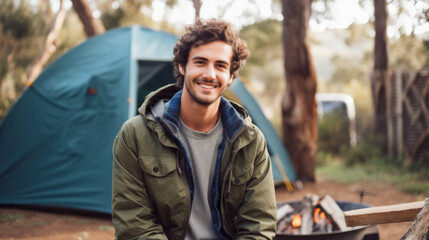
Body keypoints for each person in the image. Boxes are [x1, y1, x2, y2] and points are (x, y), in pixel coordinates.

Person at [112, 18, 277, 240]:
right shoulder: (134, 135)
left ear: (230, 76)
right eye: (200, 62)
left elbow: (259, 224)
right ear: (182, 66)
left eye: (220, 66)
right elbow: (136, 227)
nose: (209, 74)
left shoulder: (251, 141)